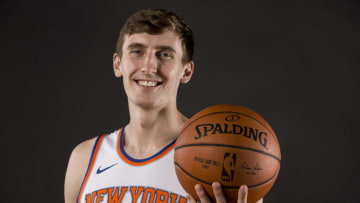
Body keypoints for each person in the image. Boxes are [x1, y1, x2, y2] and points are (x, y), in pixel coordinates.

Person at [64, 9, 263, 203]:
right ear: (118, 64)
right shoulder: (85, 158)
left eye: (165, 54)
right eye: (137, 51)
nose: (149, 67)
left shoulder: (224, 160)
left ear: (186, 71)